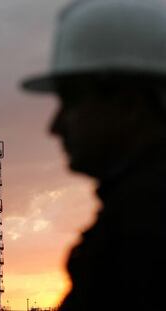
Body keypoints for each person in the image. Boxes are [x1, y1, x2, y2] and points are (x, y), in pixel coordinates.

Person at [21, 0, 166, 310]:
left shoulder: (142, 235)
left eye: (72, 102)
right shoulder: (129, 215)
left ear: (130, 105)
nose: (55, 126)